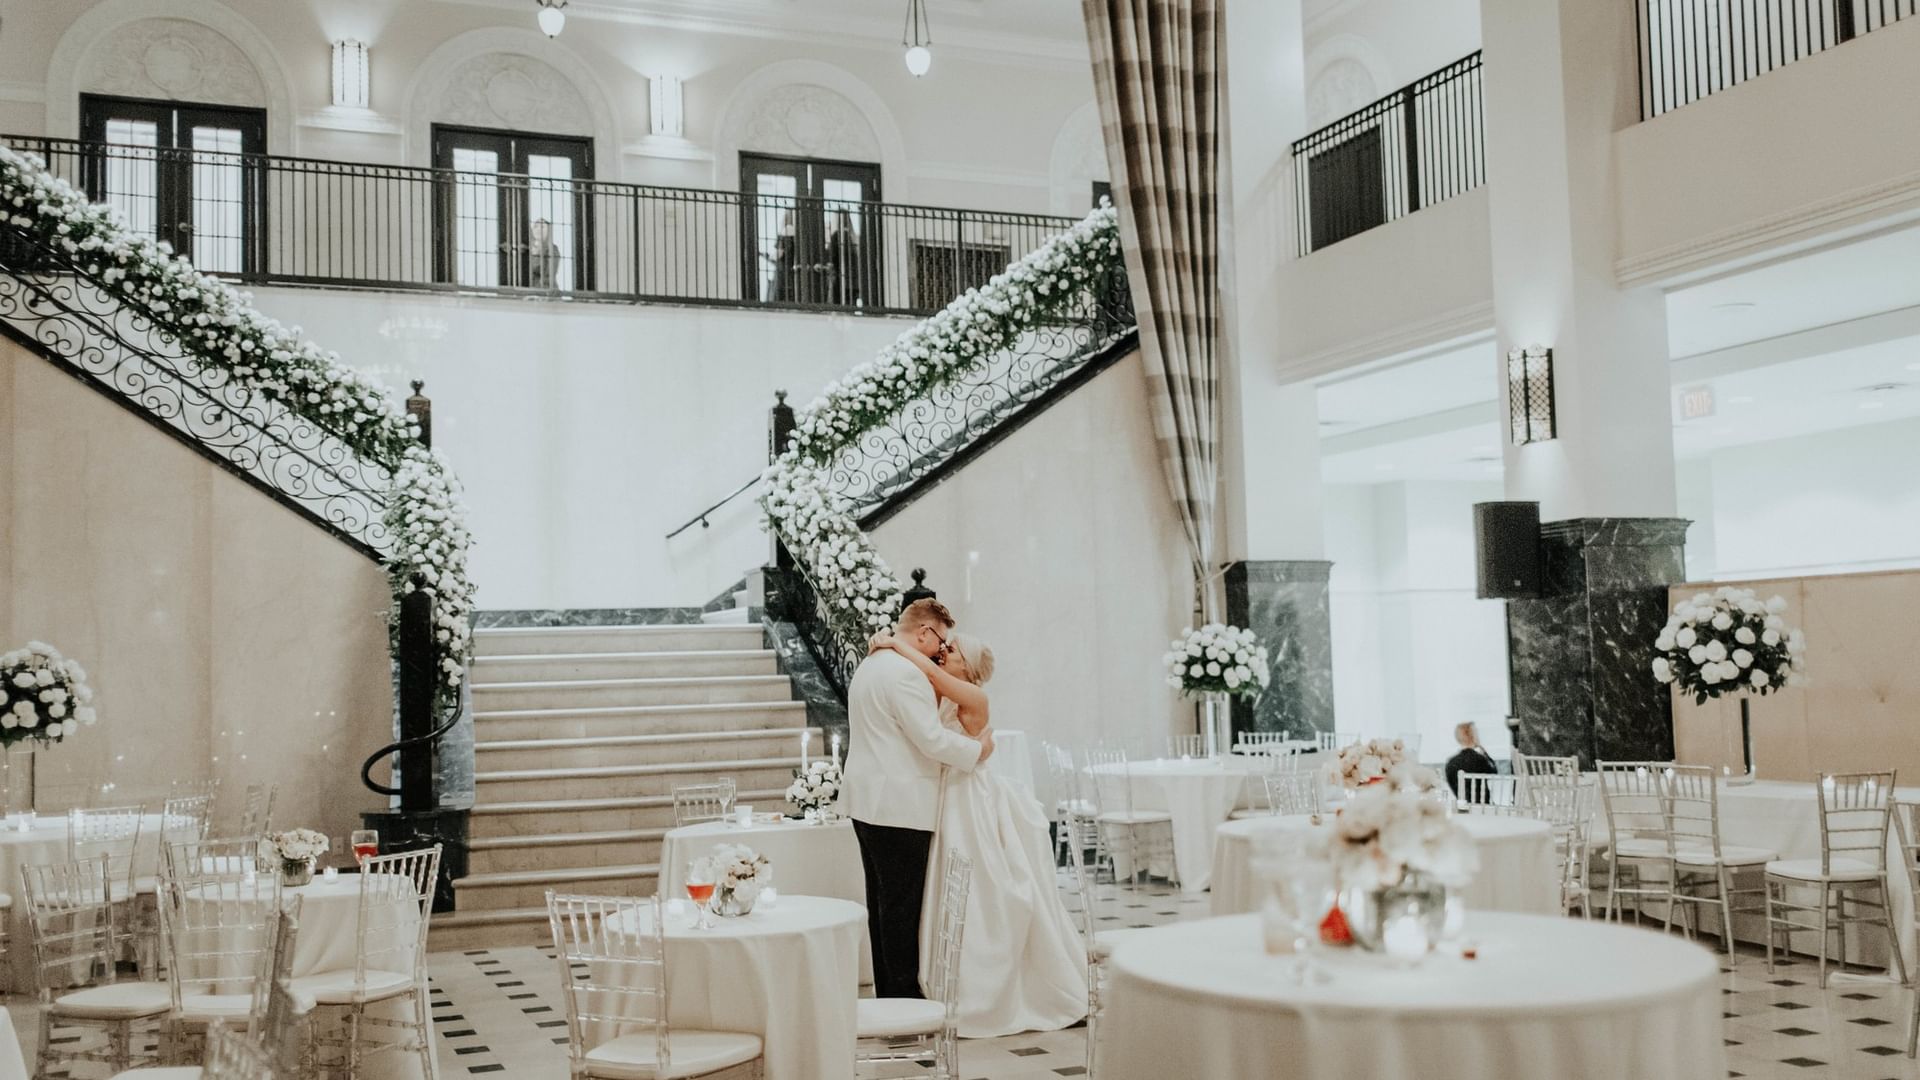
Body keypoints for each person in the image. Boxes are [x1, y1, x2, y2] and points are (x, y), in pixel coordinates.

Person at [868, 628, 1090, 1036]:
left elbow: (934, 680)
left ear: (966, 667)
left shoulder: (973, 696)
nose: (943, 651)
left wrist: (898, 644)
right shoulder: (941, 687)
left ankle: (984, 991)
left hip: (970, 794)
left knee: (981, 884)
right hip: (948, 791)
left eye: (951, 650)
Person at [843, 598, 993, 999]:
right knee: (901, 909)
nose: (942, 651)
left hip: (867, 802)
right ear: (924, 633)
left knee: (882, 905)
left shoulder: (872, 664)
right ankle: (903, 1003)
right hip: (898, 805)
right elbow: (929, 739)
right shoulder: (906, 674)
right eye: (941, 643)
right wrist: (977, 753)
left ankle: (888, 995)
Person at [1444, 721, 1499, 798]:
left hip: (1462, 805)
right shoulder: (1480, 759)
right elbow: (1494, 772)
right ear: (1473, 736)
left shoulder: (1451, 762)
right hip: (1483, 805)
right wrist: (1483, 751)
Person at [527, 218, 563, 289]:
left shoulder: (552, 249)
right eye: (536, 226)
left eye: (542, 227)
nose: (538, 229)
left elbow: (549, 273)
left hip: (546, 289)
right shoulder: (527, 249)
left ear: (548, 231)